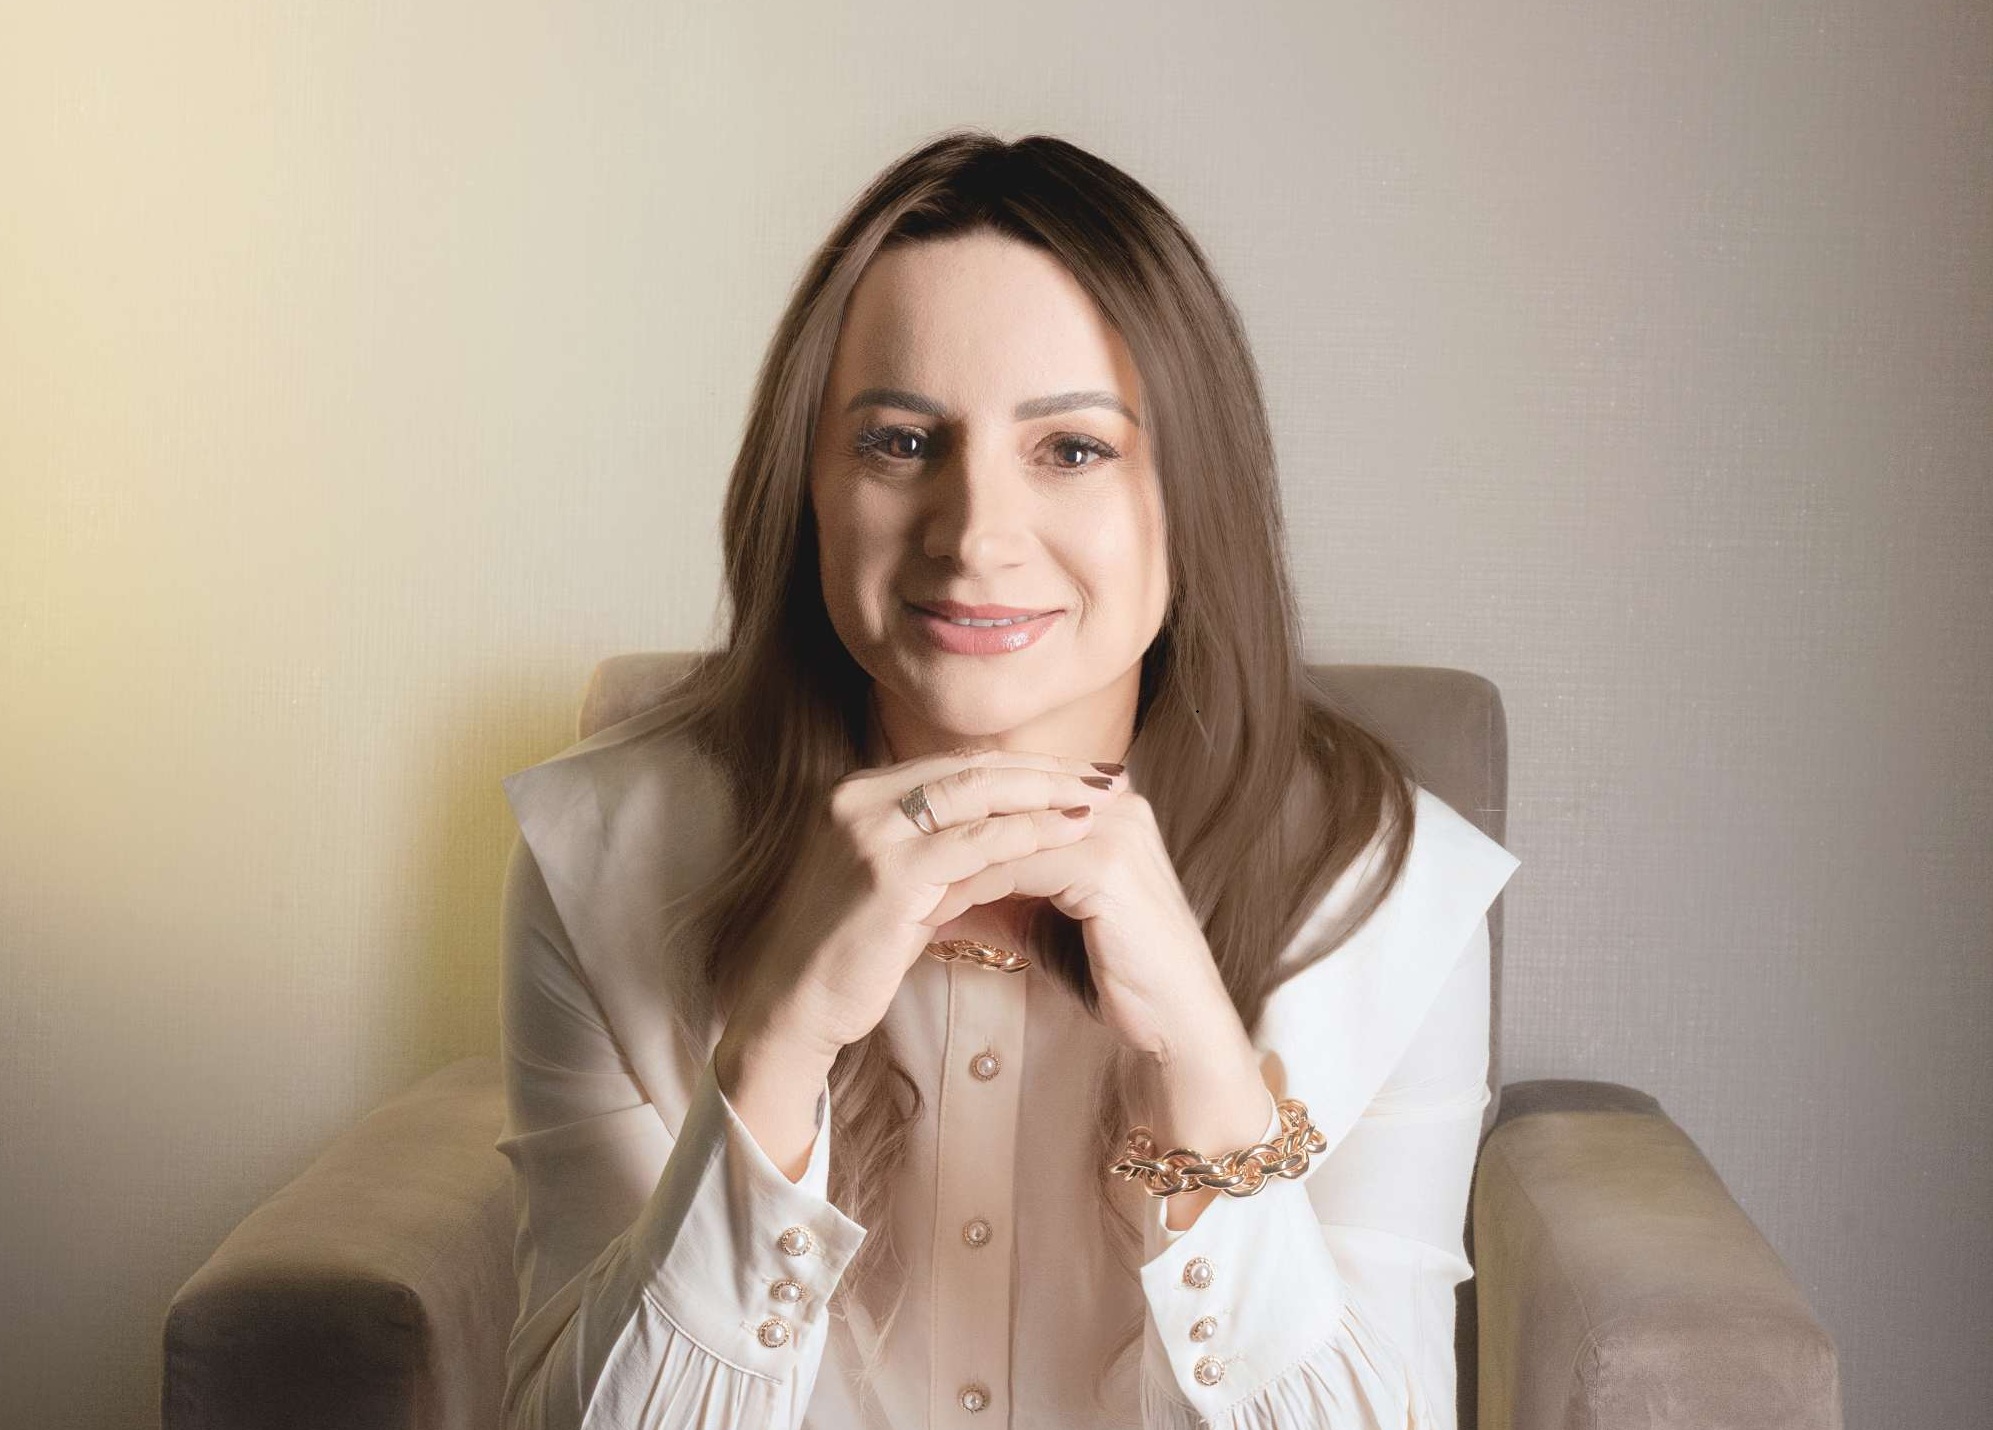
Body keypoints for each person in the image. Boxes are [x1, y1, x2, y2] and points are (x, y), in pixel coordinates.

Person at [494, 129, 1519, 1430]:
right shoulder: (598, 855)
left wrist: (1207, 1070)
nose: (976, 535)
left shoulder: (1389, 894)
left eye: (1072, 448)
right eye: (900, 441)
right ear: (807, 489)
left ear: (1193, 494)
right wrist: (773, 1053)